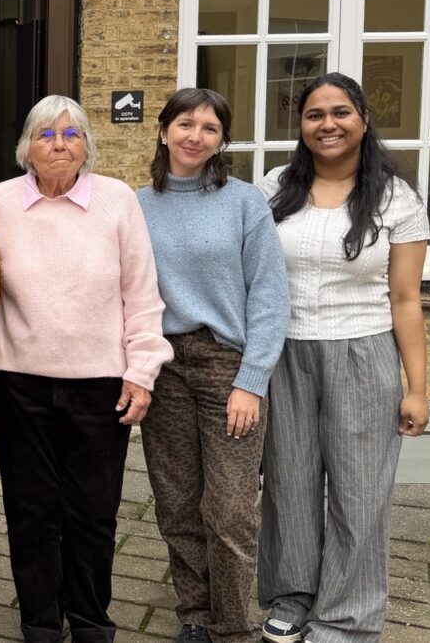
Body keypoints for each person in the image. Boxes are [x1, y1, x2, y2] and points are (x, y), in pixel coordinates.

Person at [0, 94, 171, 643]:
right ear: (26, 149)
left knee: (92, 511)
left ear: (87, 145)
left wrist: (142, 372)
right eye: (46, 134)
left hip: (100, 384)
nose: (59, 144)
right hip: (18, 381)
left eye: (71, 134)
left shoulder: (116, 201)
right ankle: (39, 619)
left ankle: (90, 619)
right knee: (30, 506)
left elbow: (142, 295)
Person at [255, 72, 430, 643]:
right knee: (289, 481)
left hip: (364, 350)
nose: (327, 124)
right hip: (286, 352)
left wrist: (418, 387)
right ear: (301, 125)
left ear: (362, 119)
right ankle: (294, 595)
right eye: (313, 114)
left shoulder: (396, 197)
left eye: (339, 112)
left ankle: (347, 618)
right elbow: (253, 279)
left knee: (359, 493)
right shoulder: (273, 188)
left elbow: (405, 298)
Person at [135, 88, 289, 643]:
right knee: (176, 502)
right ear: (163, 131)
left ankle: (232, 628)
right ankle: (194, 618)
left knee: (228, 509)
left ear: (222, 140)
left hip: (227, 366)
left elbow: (270, 296)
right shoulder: (136, 205)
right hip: (165, 365)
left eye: (209, 128)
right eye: (184, 124)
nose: (194, 136)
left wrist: (251, 381)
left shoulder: (244, 202)